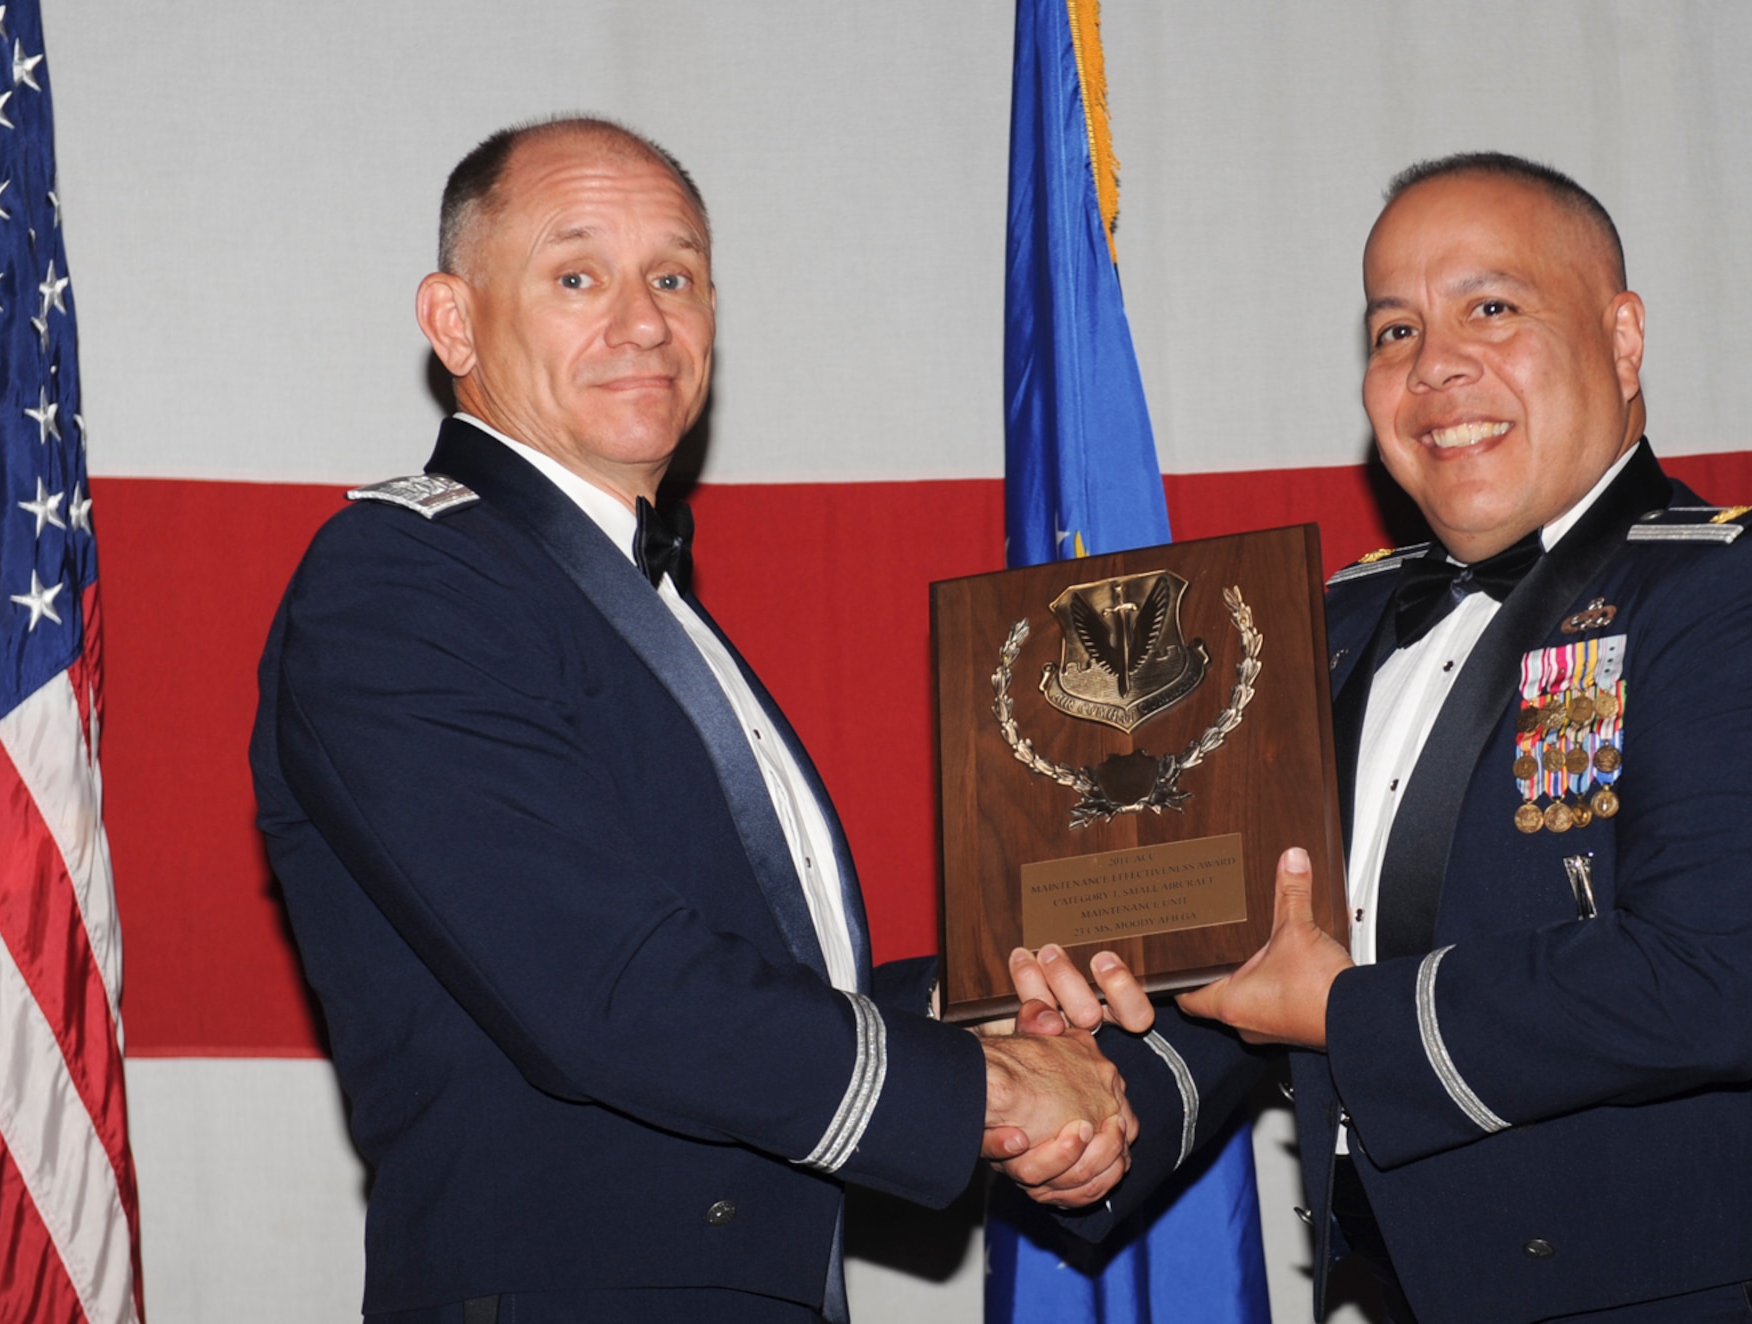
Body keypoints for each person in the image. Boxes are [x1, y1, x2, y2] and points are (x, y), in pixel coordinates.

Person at [249, 115, 1134, 1324]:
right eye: (577, 277)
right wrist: (983, 1087)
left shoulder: (620, 588)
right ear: (452, 321)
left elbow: (736, 972)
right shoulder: (403, 583)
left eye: (674, 277)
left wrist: (971, 1002)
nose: (643, 321)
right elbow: (603, 990)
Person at [1018, 154, 1752, 1323]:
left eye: (1491, 308)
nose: (1433, 366)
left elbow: (1713, 979)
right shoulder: (1332, 626)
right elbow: (1246, 965)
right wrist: (1096, 1113)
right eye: (1391, 329)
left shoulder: (1744, 594)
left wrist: (1343, 1014)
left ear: (1622, 339)